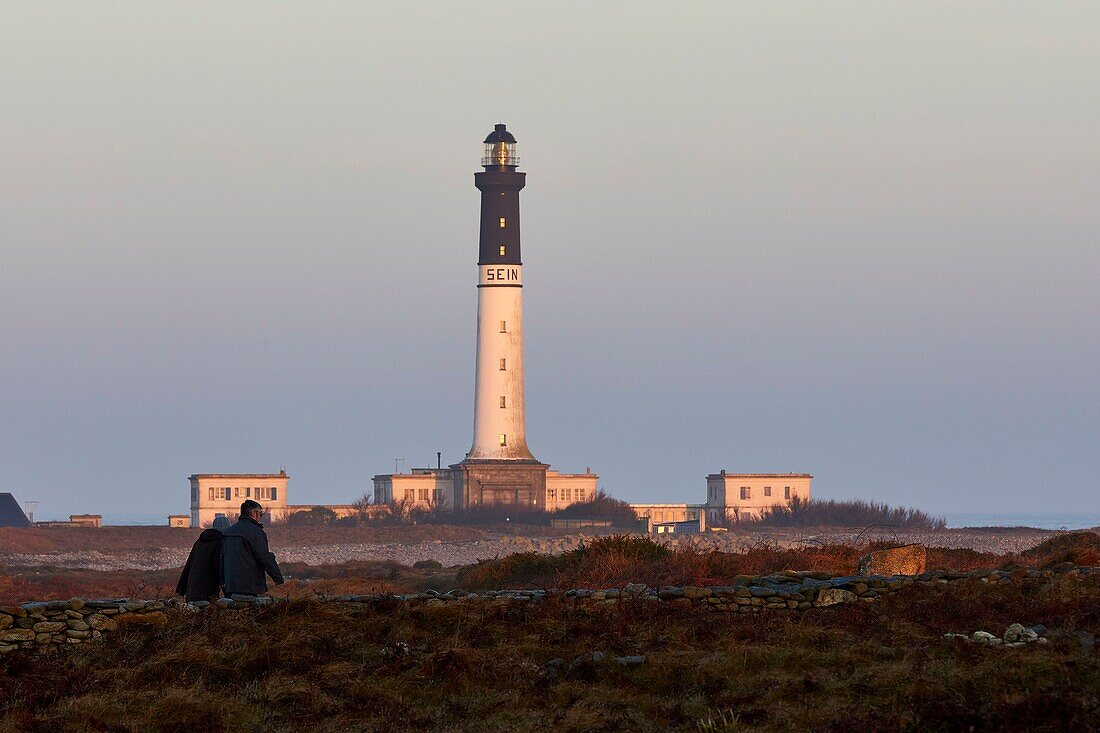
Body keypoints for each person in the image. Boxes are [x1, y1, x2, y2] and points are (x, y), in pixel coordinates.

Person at [221, 499, 284, 596]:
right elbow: (264, 557)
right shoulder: (255, 531)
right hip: (250, 585)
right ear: (254, 513)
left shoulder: (229, 531)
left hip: (230, 585)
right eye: (260, 514)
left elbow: (222, 559)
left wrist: (223, 582)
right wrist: (278, 579)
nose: (260, 517)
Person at [175, 515, 230, 602]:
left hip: (192, 587)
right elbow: (219, 568)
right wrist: (227, 592)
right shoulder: (220, 543)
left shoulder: (200, 542)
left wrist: (182, 588)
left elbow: (189, 564)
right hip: (208, 588)